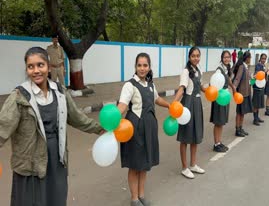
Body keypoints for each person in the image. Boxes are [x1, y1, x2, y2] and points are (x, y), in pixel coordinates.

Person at [0, 47, 104, 206]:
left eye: (40, 65)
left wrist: (99, 128)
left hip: (56, 160)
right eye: (30, 66)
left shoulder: (60, 92)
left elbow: (77, 118)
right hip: (31, 165)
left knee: (55, 199)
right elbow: (2, 128)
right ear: (26, 69)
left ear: (48, 67)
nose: (36, 70)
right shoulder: (19, 97)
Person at [117, 53, 170, 206]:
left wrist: (169, 105)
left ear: (149, 67)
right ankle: (134, 199)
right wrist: (114, 118)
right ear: (135, 67)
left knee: (144, 163)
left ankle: (141, 195)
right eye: (139, 65)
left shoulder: (150, 84)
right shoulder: (130, 85)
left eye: (145, 65)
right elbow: (122, 104)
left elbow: (156, 99)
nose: (142, 68)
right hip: (134, 129)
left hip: (149, 128)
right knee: (135, 164)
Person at [174, 47, 206, 179]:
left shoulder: (199, 70)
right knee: (185, 137)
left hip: (197, 104)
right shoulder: (186, 71)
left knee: (195, 135)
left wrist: (212, 91)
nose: (196, 58)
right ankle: (184, 167)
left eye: (198, 56)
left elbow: (202, 87)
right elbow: (181, 89)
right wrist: (173, 105)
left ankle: (193, 164)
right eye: (193, 56)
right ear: (189, 57)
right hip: (187, 105)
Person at [210, 50, 236, 152]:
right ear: (222, 58)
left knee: (221, 122)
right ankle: (216, 144)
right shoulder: (219, 70)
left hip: (224, 98)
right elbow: (215, 84)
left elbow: (228, 79)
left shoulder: (226, 68)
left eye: (228, 57)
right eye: (225, 57)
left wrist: (233, 87)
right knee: (218, 122)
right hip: (219, 98)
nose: (227, 59)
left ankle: (219, 142)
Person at [233, 51, 253, 137]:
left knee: (243, 112)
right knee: (239, 112)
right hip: (241, 94)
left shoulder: (246, 67)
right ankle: (237, 129)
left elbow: (248, 78)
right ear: (247, 58)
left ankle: (240, 128)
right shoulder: (242, 67)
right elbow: (237, 78)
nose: (250, 59)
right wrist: (234, 89)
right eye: (250, 58)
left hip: (246, 92)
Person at [252, 54, 267, 126]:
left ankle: (257, 117)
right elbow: (257, 74)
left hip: (261, 86)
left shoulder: (263, 65)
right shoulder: (258, 65)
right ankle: (255, 119)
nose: (264, 60)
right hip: (257, 86)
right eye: (263, 58)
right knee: (256, 103)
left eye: (265, 59)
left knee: (259, 103)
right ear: (260, 59)